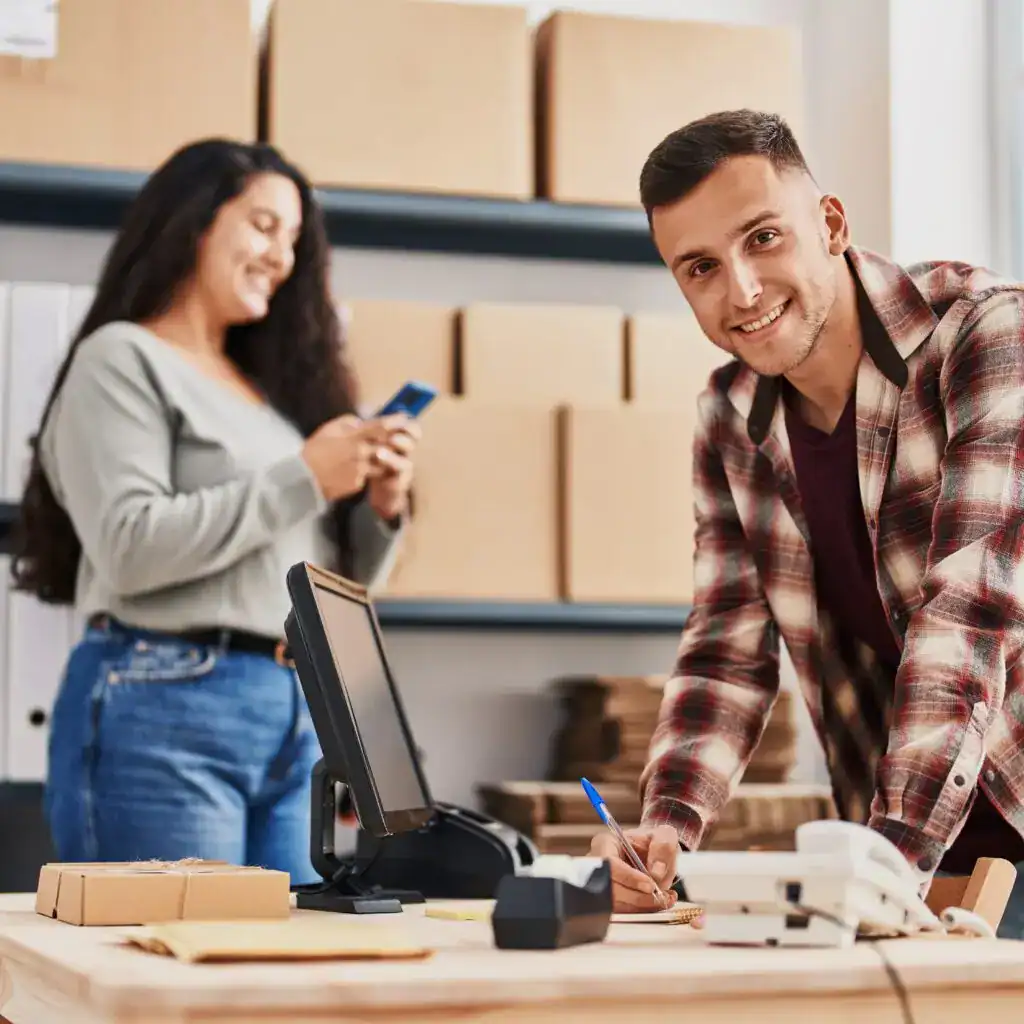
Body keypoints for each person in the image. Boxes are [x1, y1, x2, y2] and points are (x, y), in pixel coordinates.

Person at [590, 109, 1024, 938]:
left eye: (761, 239)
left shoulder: (987, 334)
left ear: (829, 223)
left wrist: (883, 867)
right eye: (700, 268)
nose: (741, 292)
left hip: (943, 837)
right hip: (929, 861)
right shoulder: (730, 416)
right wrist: (667, 827)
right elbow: (726, 649)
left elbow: (971, 614)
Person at [10, 137, 420, 886]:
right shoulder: (122, 359)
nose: (282, 256)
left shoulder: (266, 397)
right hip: (164, 701)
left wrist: (378, 511)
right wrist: (305, 476)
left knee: (270, 986)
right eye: (264, 225)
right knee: (174, 980)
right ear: (190, 222)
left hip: (293, 708)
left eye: (294, 239)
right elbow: (129, 546)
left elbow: (314, 580)